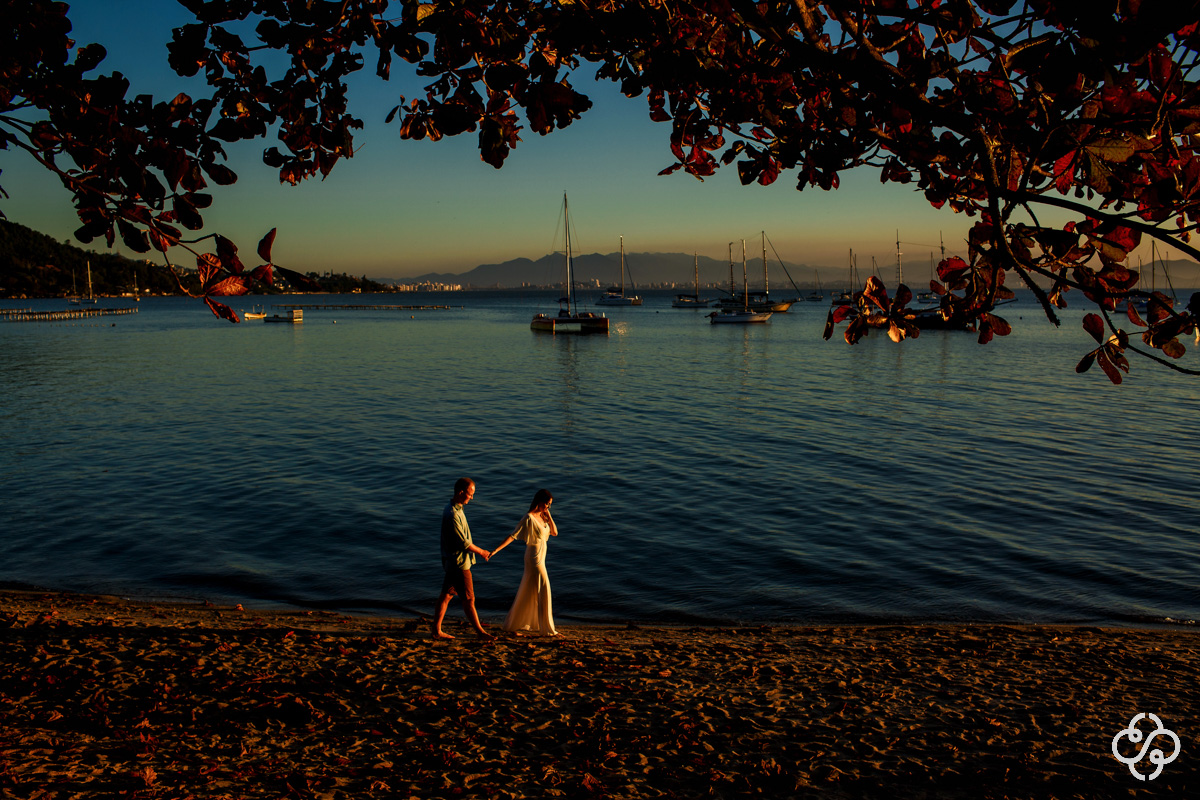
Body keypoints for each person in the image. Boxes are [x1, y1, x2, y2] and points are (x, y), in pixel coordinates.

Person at [490, 488, 559, 636]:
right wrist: (495, 551)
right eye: (547, 504)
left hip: (542, 557)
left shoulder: (543, 516)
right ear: (539, 502)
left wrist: (548, 515)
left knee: (529, 590)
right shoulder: (529, 518)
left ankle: (515, 623)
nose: (548, 507)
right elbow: (513, 536)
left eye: (550, 505)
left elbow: (554, 532)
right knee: (544, 587)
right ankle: (548, 630)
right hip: (534, 558)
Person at [432, 477, 493, 640]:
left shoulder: (456, 508)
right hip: (459, 563)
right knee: (469, 599)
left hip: (452, 561)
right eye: (470, 494)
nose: (472, 498)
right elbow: (463, 543)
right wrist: (482, 552)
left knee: (446, 595)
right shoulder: (452, 514)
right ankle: (480, 632)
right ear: (460, 492)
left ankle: (436, 630)